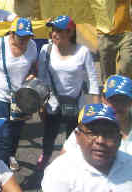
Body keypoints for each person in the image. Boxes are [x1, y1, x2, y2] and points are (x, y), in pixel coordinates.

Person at [36, 15, 100, 171]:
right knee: (49, 133)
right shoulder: (46, 49)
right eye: (53, 30)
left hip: (76, 104)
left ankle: (71, 164)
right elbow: (42, 77)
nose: (54, 34)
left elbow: (92, 79)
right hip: (53, 103)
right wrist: (41, 103)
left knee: (74, 137)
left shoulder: (82, 51)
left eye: (59, 31)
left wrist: (96, 107)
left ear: (70, 32)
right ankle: (45, 156)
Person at [42, 103, 132, 192]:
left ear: (119, 140)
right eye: (92, 133)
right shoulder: (60, 171)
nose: (100, 141)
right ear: (77, 136)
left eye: (109, 134)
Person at [0, 18, 38, 171]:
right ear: (12, 34)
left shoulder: (32, 46)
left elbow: (34, 69)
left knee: (16, 131)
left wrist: (32, 78)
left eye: (27, 36)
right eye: (21, 36)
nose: (25, 40)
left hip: (20, 97)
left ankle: (10, 154)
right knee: (4, 133)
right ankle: (0, 175)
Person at [62, 75, 132, 156]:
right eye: (113, 100)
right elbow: (62, 159)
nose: (118, 105)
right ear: (103, 99)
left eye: (124, 100)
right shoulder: (89, 123)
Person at [99, 0, 132, 80]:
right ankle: (109, 94)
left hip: (126, 32)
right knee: (107, 71)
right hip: (105, 33)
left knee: (127, 63)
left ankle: (124, 90)